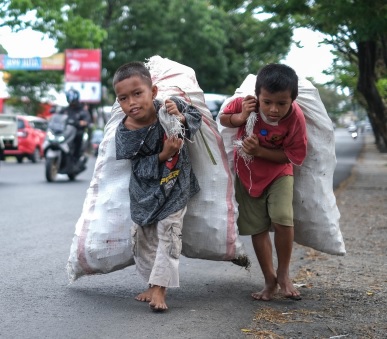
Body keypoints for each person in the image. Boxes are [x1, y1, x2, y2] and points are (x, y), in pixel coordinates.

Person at [113, 61, 202, 311]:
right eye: (123, 98)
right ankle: (152, 283)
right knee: (144, 239)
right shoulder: (126, 132)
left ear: (153, 92)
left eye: (137, 93)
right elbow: (137, 168)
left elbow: (196, 119)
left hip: (175, 188)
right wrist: (163, 154)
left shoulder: (169, 106)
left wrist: (180, 115)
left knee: (169, 235)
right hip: (144, 196)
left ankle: (161, 291)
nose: (131, 102)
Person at [219, 63, 307, 301]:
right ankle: (269, 280)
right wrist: (242, 116)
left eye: (281, 103)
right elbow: (225, 118)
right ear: (258, 96)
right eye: (267, 102)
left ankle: (284, 274)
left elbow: (291, 156)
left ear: (292, 100)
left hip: (279, 173)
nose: (273, 110)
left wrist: (259, 151)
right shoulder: (249, 104)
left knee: (283, 219)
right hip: (247, 173)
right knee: (257, 228)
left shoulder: (296, 118)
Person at [61, 89, 91, 163]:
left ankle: (76, 157)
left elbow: (87, 121)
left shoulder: (82, 110)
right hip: (65, 131)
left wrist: (83, 122)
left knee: (79, 136)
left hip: (77, 131)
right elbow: (58, 116)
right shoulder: (65, 110)